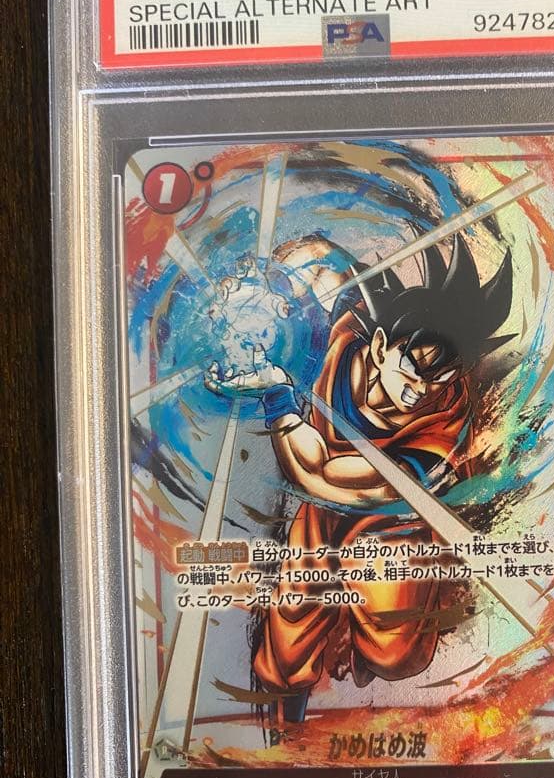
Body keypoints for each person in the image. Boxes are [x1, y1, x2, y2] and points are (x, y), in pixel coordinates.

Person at [205, 233, 513, 721]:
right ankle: (285, 728)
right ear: (382, 345)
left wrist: (278, 395)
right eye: (414, 368)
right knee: (289, 631)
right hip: (321, 514)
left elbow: (321, 474)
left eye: (441, 377)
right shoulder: (349, 328)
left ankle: (379, 642)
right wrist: (255, 287)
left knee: (394, 653)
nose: (422, 390)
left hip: (393, 520)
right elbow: (316, 257)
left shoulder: (443, 425)